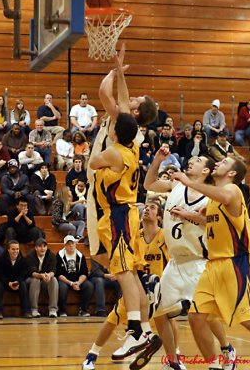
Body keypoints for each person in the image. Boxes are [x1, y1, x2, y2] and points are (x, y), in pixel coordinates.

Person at [171, 156, 250, 370]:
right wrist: (188, 215)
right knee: (195, 316)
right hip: (212, 266)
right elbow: (212, 224)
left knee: (249, 319)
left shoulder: (233, 191)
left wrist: (188, 181)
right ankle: (214, 364)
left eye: (224, 162)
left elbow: (221, 195)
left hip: (236, 265)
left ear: (232, 173)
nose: (218, 163)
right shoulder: (215, 200)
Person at [143, 151, 236, 370]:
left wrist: (189, 215)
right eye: (191, 159)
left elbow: (217, 225)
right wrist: (157, 160)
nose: (191, 161)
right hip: (175, 263)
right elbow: (149, 184)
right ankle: (173, 362)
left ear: (205, 171)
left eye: (197, 161)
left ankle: (226, 348)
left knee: (206, 315)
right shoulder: (175, 186)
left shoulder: (212, 196)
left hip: (198, 262)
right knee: (159, 313)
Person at [88, 112, 160, 362]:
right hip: (120, 213)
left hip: (118, 214)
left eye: (111, 126)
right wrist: (116, 74)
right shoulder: (133, 148)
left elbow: (92, 162)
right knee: (127, 273)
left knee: (124, 272)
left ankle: (135, 328)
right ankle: (146, 329)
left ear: (115, 132)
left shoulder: (114, 153)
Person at [86, 44, 157, 266]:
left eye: (137, 99)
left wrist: (114, 72)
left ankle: (131, 291)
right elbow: (118, 96)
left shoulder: (123, 121)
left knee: (105, 255)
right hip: (110, 191)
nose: (132, 97)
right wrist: (117, 73)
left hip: (108, 193)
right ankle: (130, 290)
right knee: (102, 253)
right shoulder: (127, 125)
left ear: (136, 112)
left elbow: (104, 93)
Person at [82, 200, 167, 370]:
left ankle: (174, 358)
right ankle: (92, 355)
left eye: (152, 208)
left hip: (157, 288)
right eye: (147, 206)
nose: (147, 209)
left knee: (167, 321)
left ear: (159, 217)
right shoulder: (135, 233)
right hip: (136, 285)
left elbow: (172, 265)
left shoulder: (164, 237)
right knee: (112, 319)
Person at [0, 239, 31, 319]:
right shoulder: (0, 259)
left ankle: (26, 311)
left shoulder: (23, 260)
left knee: (23, 285)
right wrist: (8, 283)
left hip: (16, 282)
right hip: (3, 282)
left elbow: (23, 274)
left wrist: (18, 282)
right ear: (8, 249)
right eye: (13, 249)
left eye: (17, 249)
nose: (15, 251)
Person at [56, 235, 94, 317]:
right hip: (65, 280)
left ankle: (83, 310)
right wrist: (70, 283)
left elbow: (84, 273)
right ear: (65, 245)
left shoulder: (80, 256)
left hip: (78, 280)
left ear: (75, 244)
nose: (71, 246)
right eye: (68, 244)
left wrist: (78, 283)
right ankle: (62, 311)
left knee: (89, 285)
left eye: (72, 243)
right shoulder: (59, 255)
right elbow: (58, 274)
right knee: (62, 287)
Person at [26, 238, 58, 318]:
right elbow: (31, 272)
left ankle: (53, 310)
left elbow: (53, 270)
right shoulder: (30, 255)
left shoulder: (51, 255)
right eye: (40, 246)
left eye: (44, 246)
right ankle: (34, 309)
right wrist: (41, 275)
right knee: (35, 280)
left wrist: (49, 275)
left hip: (44, 280)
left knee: (53, 279)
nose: (42, 248)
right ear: (36, 248)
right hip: (30, 280)